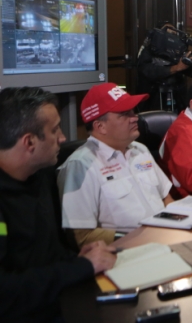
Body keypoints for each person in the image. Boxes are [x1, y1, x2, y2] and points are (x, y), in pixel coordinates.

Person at [0, 87, 116, 320]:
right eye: (54, 130)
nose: (63, 138)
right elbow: (5, 294)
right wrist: (81, 267)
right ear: (29, 142)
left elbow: (48, 255)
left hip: (61, 300)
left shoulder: (41, 175)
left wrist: (79, 258)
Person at [58, 83, 174, 247]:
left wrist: (178, 222)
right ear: (100, 126)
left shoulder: (140, 149)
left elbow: (165, 196)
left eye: (133, 111)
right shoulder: (81, 166)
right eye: (125, 114)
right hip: (128, 251)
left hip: (166, 239)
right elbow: (81, 236)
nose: (135, 118)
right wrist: (141, 237)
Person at [137, 22, 192, 112]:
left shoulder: (178, 49)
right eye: (168, 33)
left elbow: (190, 71)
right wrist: (175, 68)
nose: (171, 36)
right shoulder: (150, 48)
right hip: (154, 98)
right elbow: (146, 70)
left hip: (178, 97)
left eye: (174, 34)